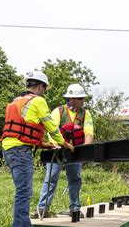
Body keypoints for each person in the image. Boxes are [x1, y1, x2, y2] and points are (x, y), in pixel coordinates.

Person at [1, 71, 75, 227]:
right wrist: (63, 143)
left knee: (22, 192)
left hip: (9, 148)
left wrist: (43, 144)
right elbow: (51, 126)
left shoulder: (16, 101)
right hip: (20, 151)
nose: (44, 91)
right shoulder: (38, 101)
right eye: (44, 88)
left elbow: (21, 129)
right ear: (41, 86)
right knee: (24, 193)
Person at [36, 83, 94, 218]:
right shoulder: (58, 111)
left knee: (75, 179)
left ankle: (75, 208)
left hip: (75, 152)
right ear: (72, 99)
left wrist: (85, 149)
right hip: (57, 150)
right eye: (80, 99)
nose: (82, 101)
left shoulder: (86, 114)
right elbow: (51, 130)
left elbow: (89, 132)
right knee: (50, 178)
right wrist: (56, 145)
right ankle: (42, 208)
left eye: (82, 99)